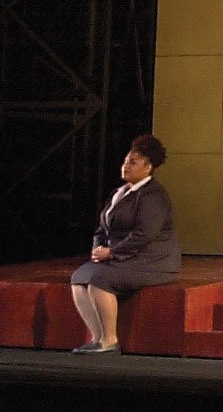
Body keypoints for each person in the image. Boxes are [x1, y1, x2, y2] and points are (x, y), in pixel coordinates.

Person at [69, 134, 181, 355]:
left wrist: (111, 252)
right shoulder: (119, 193)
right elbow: (103, 228)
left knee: (98, 279)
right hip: (123, 258)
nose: (125, 166)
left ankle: (110, 339)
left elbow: (145, 233)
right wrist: (97, 248)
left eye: (133, 162)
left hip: (152, 261)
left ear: (148, 167)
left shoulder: (153, 195)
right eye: (125, 161)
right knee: (79, 277)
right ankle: (97, 337)